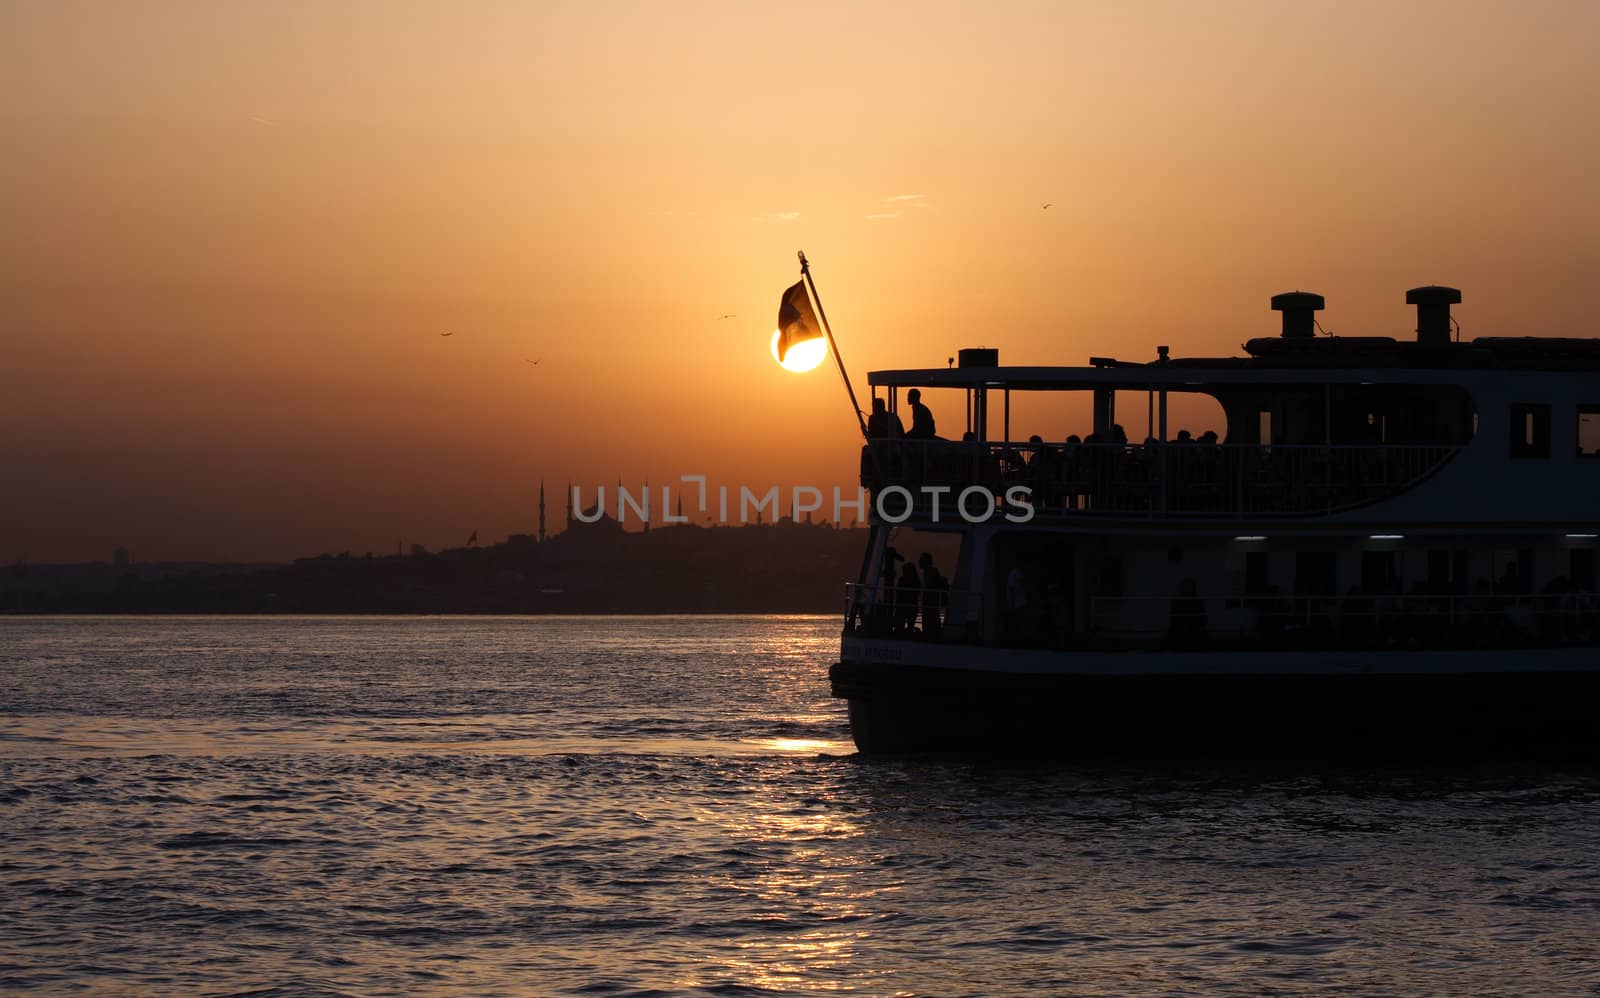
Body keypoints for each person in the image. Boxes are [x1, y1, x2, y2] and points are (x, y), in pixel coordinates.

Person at [918, 552, 948, 637]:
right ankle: (932, 634)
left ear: (925, 561)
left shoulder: (930, 572)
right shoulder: (929, 571)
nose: (919, 561)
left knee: (930, 619)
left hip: (931, 602)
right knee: (932, 619)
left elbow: (929, 586)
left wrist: (925, 599)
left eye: (921, 559)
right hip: (931, 602)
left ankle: (930, 635)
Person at [895, 559, 922, 633]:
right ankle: (907, 632)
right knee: (908, 623)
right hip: (909, 605)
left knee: (902, 624)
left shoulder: (903, 580)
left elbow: (898, 591)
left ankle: (902, 633)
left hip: (905, 605)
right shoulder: (916, 580)